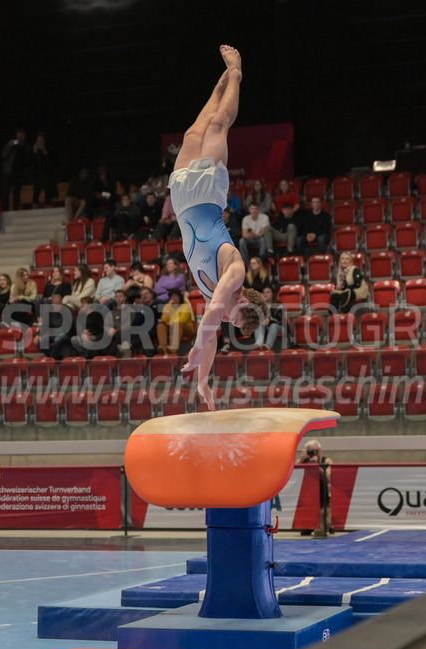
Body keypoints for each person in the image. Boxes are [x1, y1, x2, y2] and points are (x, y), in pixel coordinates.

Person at [169, 45, 266, 409]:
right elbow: (210, 321)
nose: (227, 317)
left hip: (181, 200)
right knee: (218, 124)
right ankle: (235, 75)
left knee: (196, 128)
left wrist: (204, 380)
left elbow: (212, 337)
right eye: (234, 315)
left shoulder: (219, 301)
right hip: (208, 193)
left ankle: (222, 78)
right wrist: (194, 351)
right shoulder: (236, 271)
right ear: (241, 301)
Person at [298, 439, 332, 536]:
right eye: (312, 451)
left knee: (322, 531)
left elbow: (328, 478)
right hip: (308, 500)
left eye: (317, 451)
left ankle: (328, 526)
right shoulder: (303, 461)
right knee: (305, 533)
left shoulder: (326, 461)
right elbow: (293, 475)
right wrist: (302, 460)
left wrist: (316, 465)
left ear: (320, 451)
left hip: (323, 497)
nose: (314, 453)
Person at [156, 288, 195, 355]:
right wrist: (168, 306)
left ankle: (173, 348)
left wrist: (169, 322)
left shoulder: (185, 306)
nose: (174, 298)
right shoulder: (168, 306)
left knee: (178, 324)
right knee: (161, 326)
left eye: (175, 296)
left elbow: (182, 320)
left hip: (186, 328)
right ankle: (163, 348)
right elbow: (163, 319)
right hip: (172, 327)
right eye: (172, 296)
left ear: (180, 297)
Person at [0, 129, 30, 211]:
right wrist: (10, 145)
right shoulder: (12, 144)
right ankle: (4, 210)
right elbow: (3, 155)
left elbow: (28, 159)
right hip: (9, 172)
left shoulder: (26, 146)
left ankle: (15, 209)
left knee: (17, 193)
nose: (19, 138)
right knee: (6, 191)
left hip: (19, 173)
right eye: (18, 136)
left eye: (21, 135)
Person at [30, 133, 58, 208]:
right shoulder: (32, 150)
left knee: (47, 193)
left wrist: (46, 153)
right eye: (39, 141)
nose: (40, 142)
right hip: (37, 175)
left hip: (46, 175)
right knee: (36, 192)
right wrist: (34, 152)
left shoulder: (48, 149)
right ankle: (34, 208)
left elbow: (53, 163)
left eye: (41, 140)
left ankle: (48, 207)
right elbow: (30, 162)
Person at [254, 285, 285, 351]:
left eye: (268, 292)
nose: (266, 294)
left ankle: (267, 346)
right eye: (264, 292)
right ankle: (259, 344)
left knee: (273, 326)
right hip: (265, 326)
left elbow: (280, 320)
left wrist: (270, 320)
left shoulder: (279, 305)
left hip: (279, 326)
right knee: (258, 324)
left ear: (272, 294)